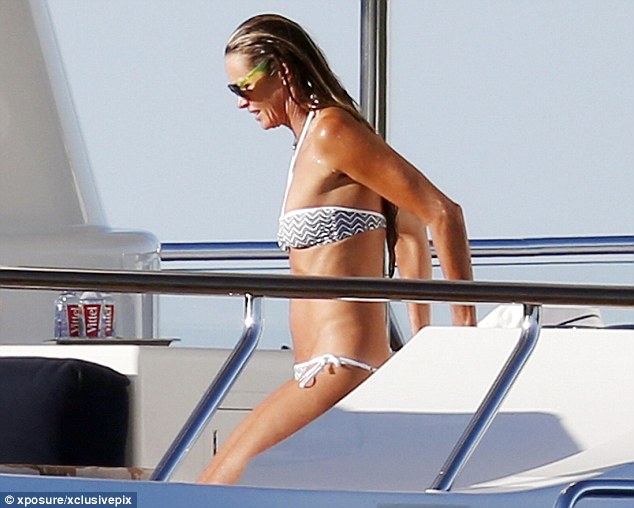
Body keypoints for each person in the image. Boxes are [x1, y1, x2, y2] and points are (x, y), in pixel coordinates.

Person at [198, 14, 476, 485]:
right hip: (315, 368)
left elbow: (442, 213)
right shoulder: (306, 142)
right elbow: (407, 231)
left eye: (244, 86)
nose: (241, 101)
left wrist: (464, 334)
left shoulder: (333, 132)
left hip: (343, 364)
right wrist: (420, 336)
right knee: (214, 479)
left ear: (282, 70)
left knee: (218, 483)